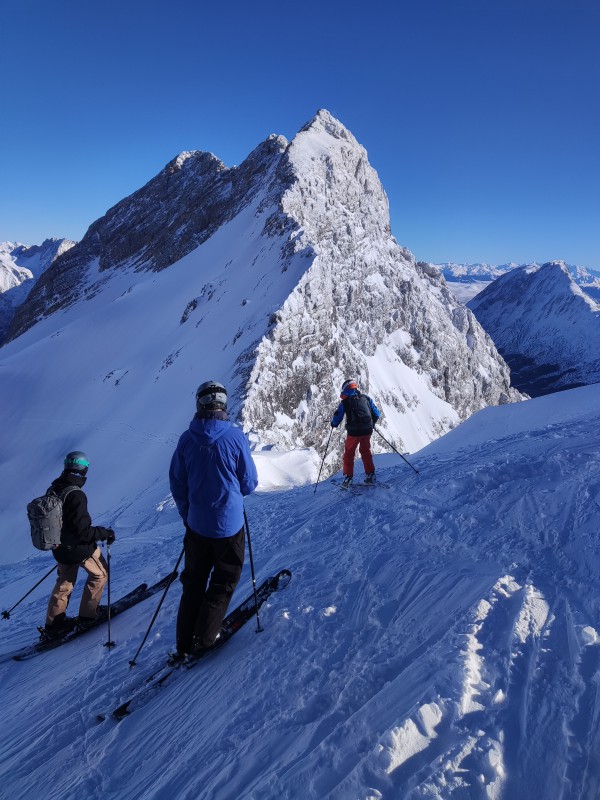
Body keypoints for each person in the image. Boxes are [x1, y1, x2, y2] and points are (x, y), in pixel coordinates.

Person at [169, 380, 258, 657]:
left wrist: (188, 514)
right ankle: (205, 638)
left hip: (196, 526)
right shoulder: (235, 437)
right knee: (224, 580)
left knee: (193, 583)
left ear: (200, 405)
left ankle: (184, 643)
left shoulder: (186, 439)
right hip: (229, 527)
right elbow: (249, 483)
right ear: (223, 405)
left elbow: (177, 483)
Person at [44, 451, 115, 637]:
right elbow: (82, 532)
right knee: (100, 575)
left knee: (64, 583)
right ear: (83, 469)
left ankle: (54, 625)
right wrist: (104, 533)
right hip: (79, 549)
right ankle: (88, 615)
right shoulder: (75, 494)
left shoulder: (54, 488)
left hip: (58, 548)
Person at [331, 379, 381, 488]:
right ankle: (370, 475)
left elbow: (338, 417)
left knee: (349, 454)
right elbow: (377, 413)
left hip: (353, 432)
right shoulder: (366, 398)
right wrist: (371, 424)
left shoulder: (345, 402)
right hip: (367, 430)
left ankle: (348, 478)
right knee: (365, 451)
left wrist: (333, 424)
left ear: (346, 389)